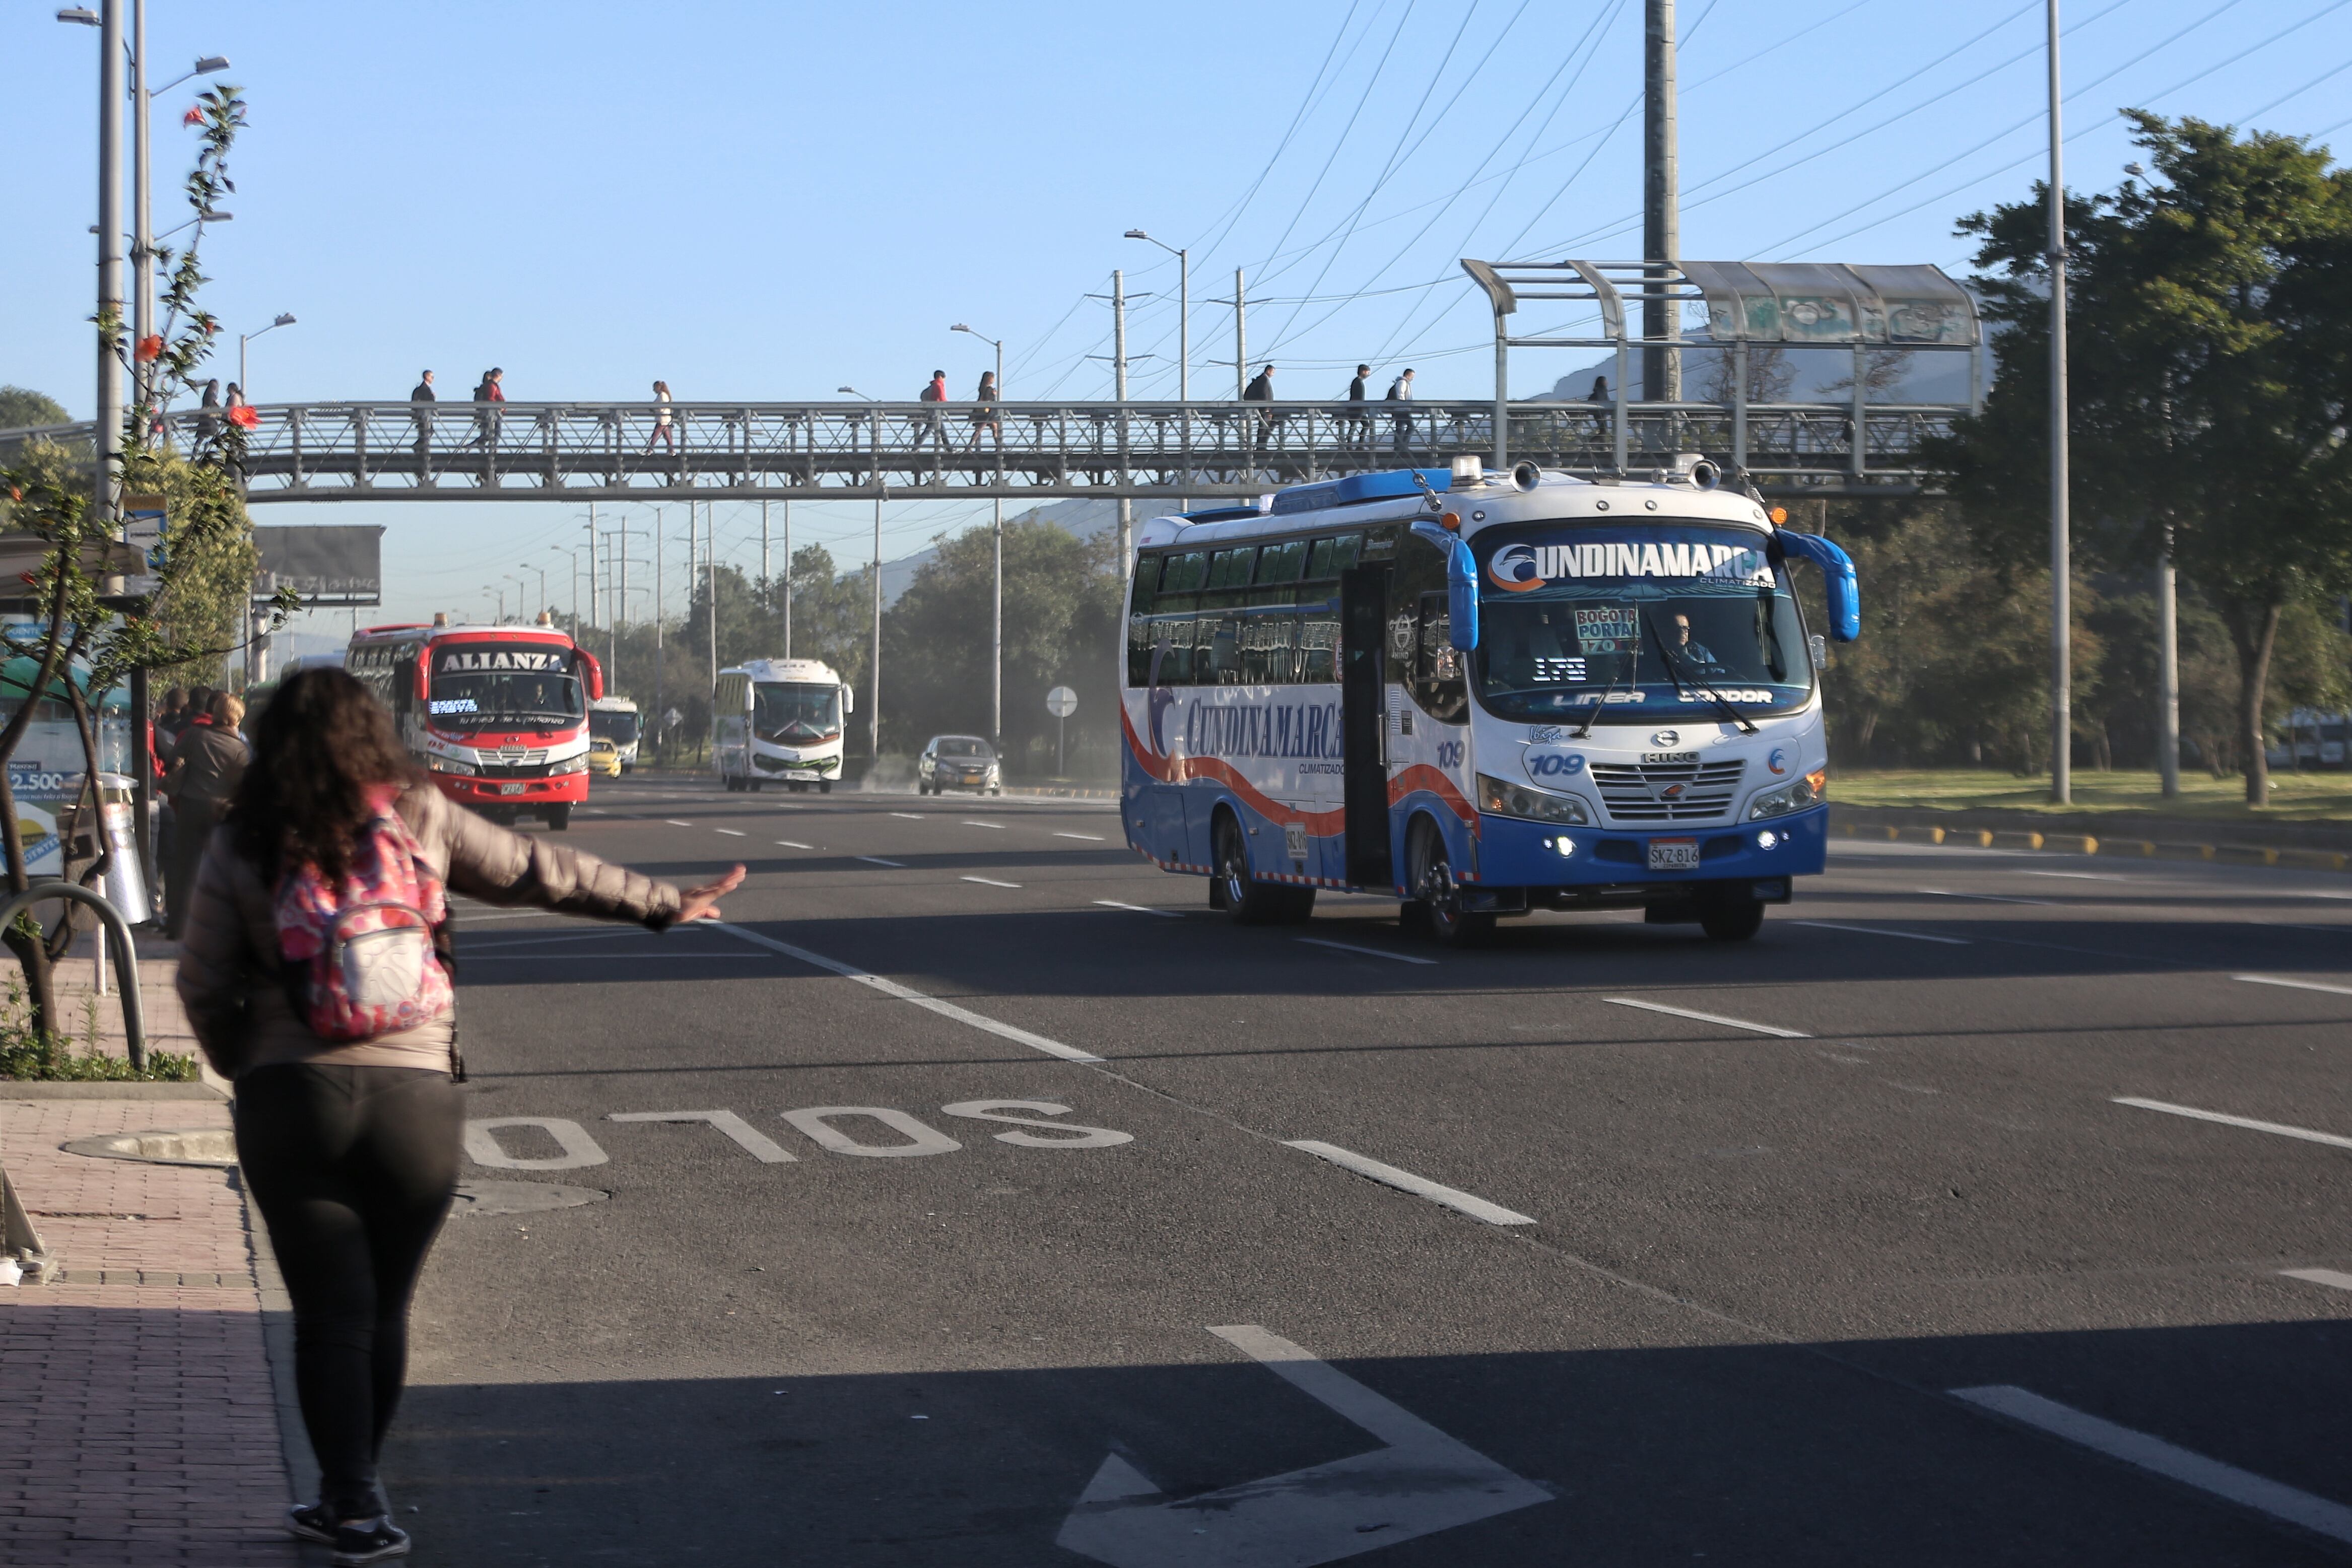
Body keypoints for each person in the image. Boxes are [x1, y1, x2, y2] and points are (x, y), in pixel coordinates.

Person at [175, 669, 745, 1565]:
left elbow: (202, 980)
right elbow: (535, 869)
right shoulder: (417, 813)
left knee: (330, 1314)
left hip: (293, 1099)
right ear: (373, 733)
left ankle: (350, 1502)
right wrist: (664, 903)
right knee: (387, 1307)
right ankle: (361, 1490)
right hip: (417, 1098)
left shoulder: (240, 838)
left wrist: (246, 1065)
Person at [162, 691, 249, 940]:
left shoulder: (195, 735)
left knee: (184, 867)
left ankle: (177, 926)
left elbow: (172, 761)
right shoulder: (239, 748)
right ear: (236, 719)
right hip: (222, 813)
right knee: (222, 868)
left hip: (190, 806)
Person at [912, 369, 950, 456]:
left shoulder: (931, 387)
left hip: (931, 412)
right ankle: (915, 448)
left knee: (942, 431)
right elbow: (942, 398)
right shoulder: (938, 385)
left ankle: (949, 449)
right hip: (936, 413)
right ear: (941, 377)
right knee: (929, 431)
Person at [464, 369, 504, 449]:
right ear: (498, 375)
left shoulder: (489, 386)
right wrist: (500, 406)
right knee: (496, 432)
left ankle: (476, 445)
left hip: (489, 413)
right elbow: (491, 398)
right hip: (493, 413)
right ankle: (492, 448)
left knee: (487, 434)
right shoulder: (492, 386)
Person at [965, 371, 1000, 451]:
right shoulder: (989, 389)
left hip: (982, 412)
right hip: (987, 414)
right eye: (993, 378)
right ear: (989, 379)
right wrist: (994, 394)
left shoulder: (982, 388)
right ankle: (998, 447)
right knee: (990, 429)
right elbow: (988, 398)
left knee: (987, 429)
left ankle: (970, 445)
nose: (994, 380)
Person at [1386, 367, 1415, 452]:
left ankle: (1398, 447)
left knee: (1400, 427)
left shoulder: (1402, 382)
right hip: (1402, 409)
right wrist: (1405, 406)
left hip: (1401, 408)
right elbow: (1400, 395)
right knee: (1411, 426)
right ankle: (1403, 446)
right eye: (1412, 377)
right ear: (1408, 375)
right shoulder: (1402, 382)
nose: (1412, 379)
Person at [1343, 364, 1372, 445]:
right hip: (1357, 409)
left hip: (1357, 408)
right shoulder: (1358, 382)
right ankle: (1353, 445)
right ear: (1363, 372)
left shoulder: (1357, 382)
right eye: (1368, 372)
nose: (1368, 375)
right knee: (1355, 426)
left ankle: (1356, 444)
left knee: (1362, 425)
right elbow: (1359, 397)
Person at [409, 372, 435, 459]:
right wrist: (433, 398)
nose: (433, 378)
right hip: (424, 416)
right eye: (432, 377)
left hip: (421, 416)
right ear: (427, 377)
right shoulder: (425, 389)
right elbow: (429, 402)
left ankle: (421, 450)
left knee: (426, 433)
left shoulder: (418, 389)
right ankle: (422, 451)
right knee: (427, 432)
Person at [644, 380, 675, 454]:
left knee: (655, 435)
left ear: (658, 387)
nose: (654, 390)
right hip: (665, 420)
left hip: (662, 419)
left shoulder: (662, 395)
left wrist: (654, 410)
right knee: (668, 437)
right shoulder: (663, 395)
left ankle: (649, 450)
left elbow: (662, 408)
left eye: (655, 388)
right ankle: (671, 451)